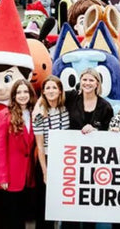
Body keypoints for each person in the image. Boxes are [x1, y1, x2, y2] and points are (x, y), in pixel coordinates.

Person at [0, 81, 37, 229]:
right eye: (19, 92)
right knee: (12, 218)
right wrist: (2, 177)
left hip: (27, 175)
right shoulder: (3, 115)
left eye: (26, 92)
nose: (23, 95)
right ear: (14, 95)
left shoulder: (34, 113)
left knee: (23, 216)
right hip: (10, 176)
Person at [33, 77, 68, 229]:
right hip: (46, 159)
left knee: (61, 201)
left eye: (54, 88)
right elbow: (40, 146)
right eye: (48, 88)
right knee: (44, 205)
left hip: (65, 159)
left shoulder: (67, 108)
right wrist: (45, 171)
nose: (51, 91)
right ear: (43, 92)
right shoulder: (40, 113)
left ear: (60, 90)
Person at [65, 68, 113, 132]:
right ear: (80, 81)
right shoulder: (71, 97)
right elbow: (56, 95)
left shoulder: (105, 107)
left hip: (96, 141)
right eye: (84, 80)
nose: (87, 83)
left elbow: (108, 130)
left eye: (91, 80)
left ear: (97, 84)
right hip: (72, 140)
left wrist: (95, 130)